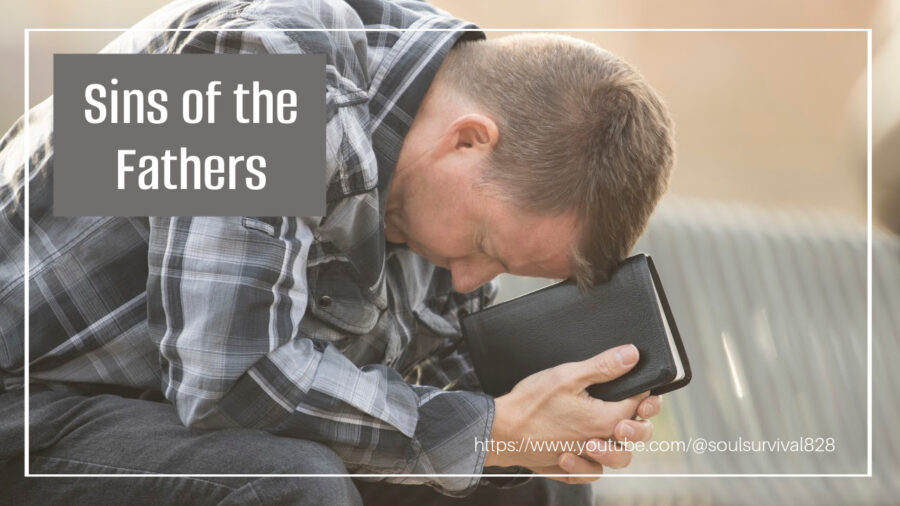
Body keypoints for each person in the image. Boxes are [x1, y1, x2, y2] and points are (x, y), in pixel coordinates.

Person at [0, 0, 675, 504]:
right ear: (468, 141)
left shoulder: (422, 154)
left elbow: (430, 382)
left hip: (156, 416)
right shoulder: (259, 63)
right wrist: (496, 429)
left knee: (528, 483)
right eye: (483, 246)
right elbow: (232, 379)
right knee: (294, 488)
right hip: (28, 408)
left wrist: (551, 420)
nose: (471, 278)